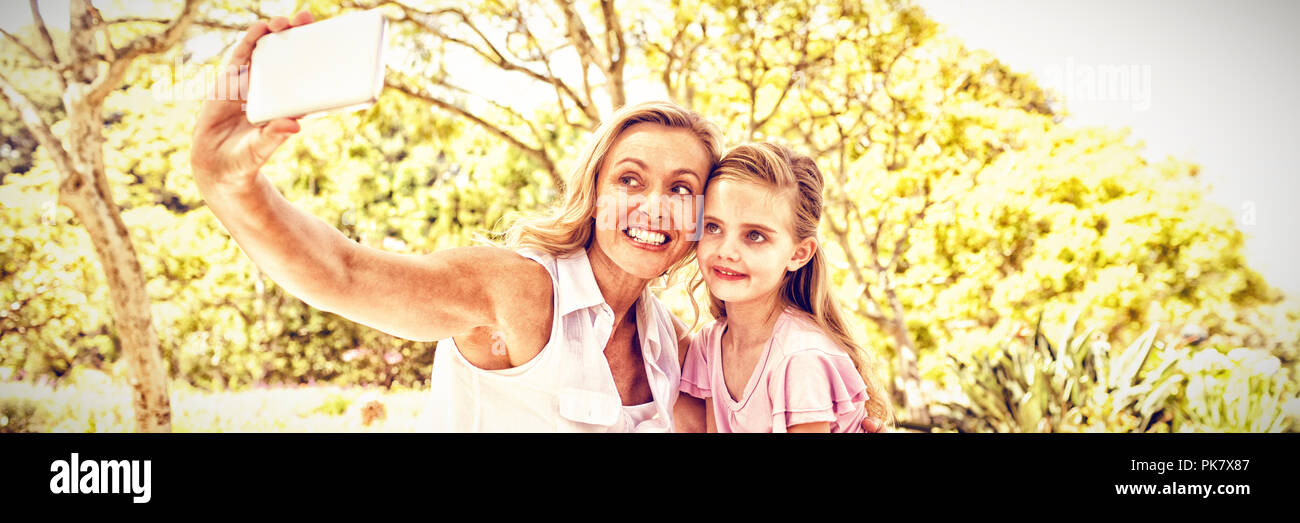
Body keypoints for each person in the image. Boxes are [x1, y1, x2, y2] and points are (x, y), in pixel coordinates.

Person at [190, 11, 884, 432]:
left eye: (681, 189)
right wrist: (233, 186)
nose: (652, 207)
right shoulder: (517, 289)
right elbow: (345, 272)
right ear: (594, 192)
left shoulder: (673, 343)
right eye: (630, 179)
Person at [677, 143, 894, 432]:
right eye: (713, 227)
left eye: (754, 235)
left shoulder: (801, 359)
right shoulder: (710, 344)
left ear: (798, 254)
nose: (726, 251)